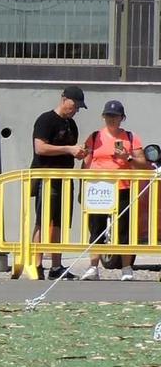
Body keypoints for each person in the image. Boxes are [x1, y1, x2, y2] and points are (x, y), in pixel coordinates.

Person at [78, 97, 140, 279]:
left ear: (122, 118)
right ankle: (93, 267)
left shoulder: (130, 137)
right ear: (103, 117)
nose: (111, 119)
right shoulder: (95, 137)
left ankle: (127, 268)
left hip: (123, 187)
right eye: (108, 115)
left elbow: (143, 163)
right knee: (96, 228)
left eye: (115, 116)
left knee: (124, 228)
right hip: (98, 188)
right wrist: (83, 186)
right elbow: (86, 162)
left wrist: (128, 157)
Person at [30, 87, 84, 279]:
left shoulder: (72, 125)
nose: (75, 109)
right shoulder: (46, 120)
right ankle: (36, 264)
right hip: (46, 177)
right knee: (42, 220)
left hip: (65, 177)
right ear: (64, 99)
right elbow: (40, 148)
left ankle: (56, 266)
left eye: (78, 107)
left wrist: (78, 153)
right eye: (74, 105)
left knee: (61, 222)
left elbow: (69, 151)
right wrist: (69, 149)